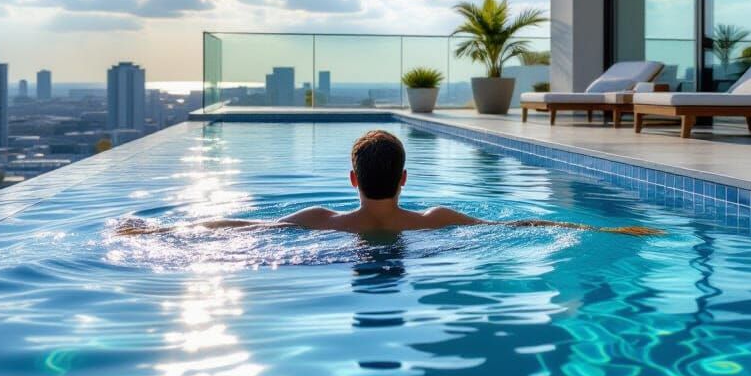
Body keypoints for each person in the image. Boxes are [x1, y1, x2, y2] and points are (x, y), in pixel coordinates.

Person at [117, 129, 663, 238]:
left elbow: (236, 225)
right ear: (405, 178)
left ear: (351, 178)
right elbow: (522, 222)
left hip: (341, 259)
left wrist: (157, 231)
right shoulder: (436, 220)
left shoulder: (319, 221)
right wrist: (615, 231)